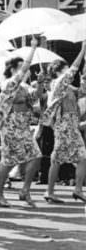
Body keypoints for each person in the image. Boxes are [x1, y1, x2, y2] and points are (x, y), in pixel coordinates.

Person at [0, 40, 43, 207]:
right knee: (9, 160)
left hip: (24, 125)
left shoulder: (25, 86)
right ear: (13, 70)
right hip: (10, 125)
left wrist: (41, 83)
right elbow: (21, 74)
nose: (26, 71)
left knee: (36, 156)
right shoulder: (7, 83)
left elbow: (36, 98)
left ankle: (25, 190)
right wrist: (33, 48)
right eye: (22, 68)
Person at [44, 42, 86, 203]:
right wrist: (82, 51)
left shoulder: (66, 86)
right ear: (60, 70)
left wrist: (83, 80)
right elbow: (72, 70)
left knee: (59, 158)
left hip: (68, 124)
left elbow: (81, 92)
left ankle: (52, 191)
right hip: (65, 124)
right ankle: (76, 190)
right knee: (81, 157)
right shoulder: (58, 84)